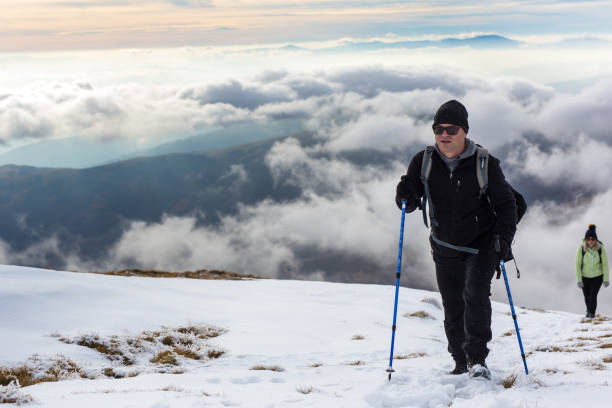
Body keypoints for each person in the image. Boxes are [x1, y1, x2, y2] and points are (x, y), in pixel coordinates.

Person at [395, 100, 517, 380]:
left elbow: (507, 205)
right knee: (452, 305)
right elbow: (409, 198)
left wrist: (503, 238)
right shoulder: (423, 161)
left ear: (464, 131)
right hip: (444, 244)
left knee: (475, 296)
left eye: (451, 128)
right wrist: (404, 195)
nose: (444, 134)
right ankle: (459, 361)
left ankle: (477, 360)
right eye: (438, 128)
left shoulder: (485, 163)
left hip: (482, 244)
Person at [575, 224, 609, 318]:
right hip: (584, 277)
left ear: (596, 240)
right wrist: (579, 280)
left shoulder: (600, 248)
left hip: (597, 277)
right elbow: (577, 265)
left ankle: (591, 314)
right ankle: (589, 311)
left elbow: (605, 264)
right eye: (588, 239)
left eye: (593, 239)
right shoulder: (581, 248)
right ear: (586, 239)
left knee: (592, 296)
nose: (590, 241)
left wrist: (606, 279)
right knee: (586, 297)